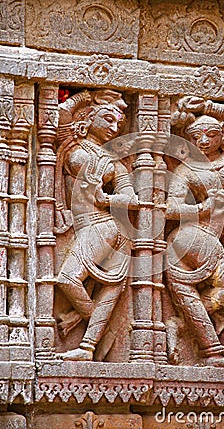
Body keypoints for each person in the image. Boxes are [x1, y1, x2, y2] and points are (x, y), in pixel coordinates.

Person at [54, 89, 137, 361]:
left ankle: (91, 326)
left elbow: (131, 198)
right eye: (108, 120)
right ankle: (92, 338)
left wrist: (107, 199)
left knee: (68, 277)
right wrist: (85, 96)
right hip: (87, 226)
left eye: (118, 124)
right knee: (102, 287)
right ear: (89, 120)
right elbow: (61, 116)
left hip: (103, 226)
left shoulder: (111, 161)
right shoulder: (75, 146)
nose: (114, 128)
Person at [165, 96, 224, 367]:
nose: (204, 141)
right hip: (192, 236)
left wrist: (207, 107)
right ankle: (207, 346)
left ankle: (190, 329)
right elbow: (169, 209)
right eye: (196, 136)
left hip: (207, 239)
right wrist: (204, 207)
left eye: (212, 135)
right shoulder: (186, 169)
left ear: (223, 136)